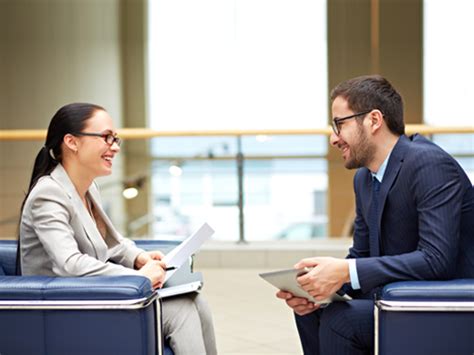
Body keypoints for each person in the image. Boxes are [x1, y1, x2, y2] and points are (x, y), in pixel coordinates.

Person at [276, 75, 474, 354]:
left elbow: (436, 260)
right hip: (397, 298)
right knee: (312, 312)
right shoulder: (365, 179)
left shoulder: (429, 165)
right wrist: (321, 287)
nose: (333, 138)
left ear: (373, 120)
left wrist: (344, 271)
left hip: (445, 306)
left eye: (339, 124)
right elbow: (362, 257)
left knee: (342, 321)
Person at [19, 103, 217, 355]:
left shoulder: (89, 188)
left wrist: (138, 258)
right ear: (72, 142)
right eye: (106, 137)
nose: (115, 146)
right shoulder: (48, 194)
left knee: (197, 301)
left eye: (115, 138)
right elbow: (69, 264)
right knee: (181, 312)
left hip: (94, 293)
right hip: (62, 307)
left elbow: (111, 242)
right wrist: (138, 277)